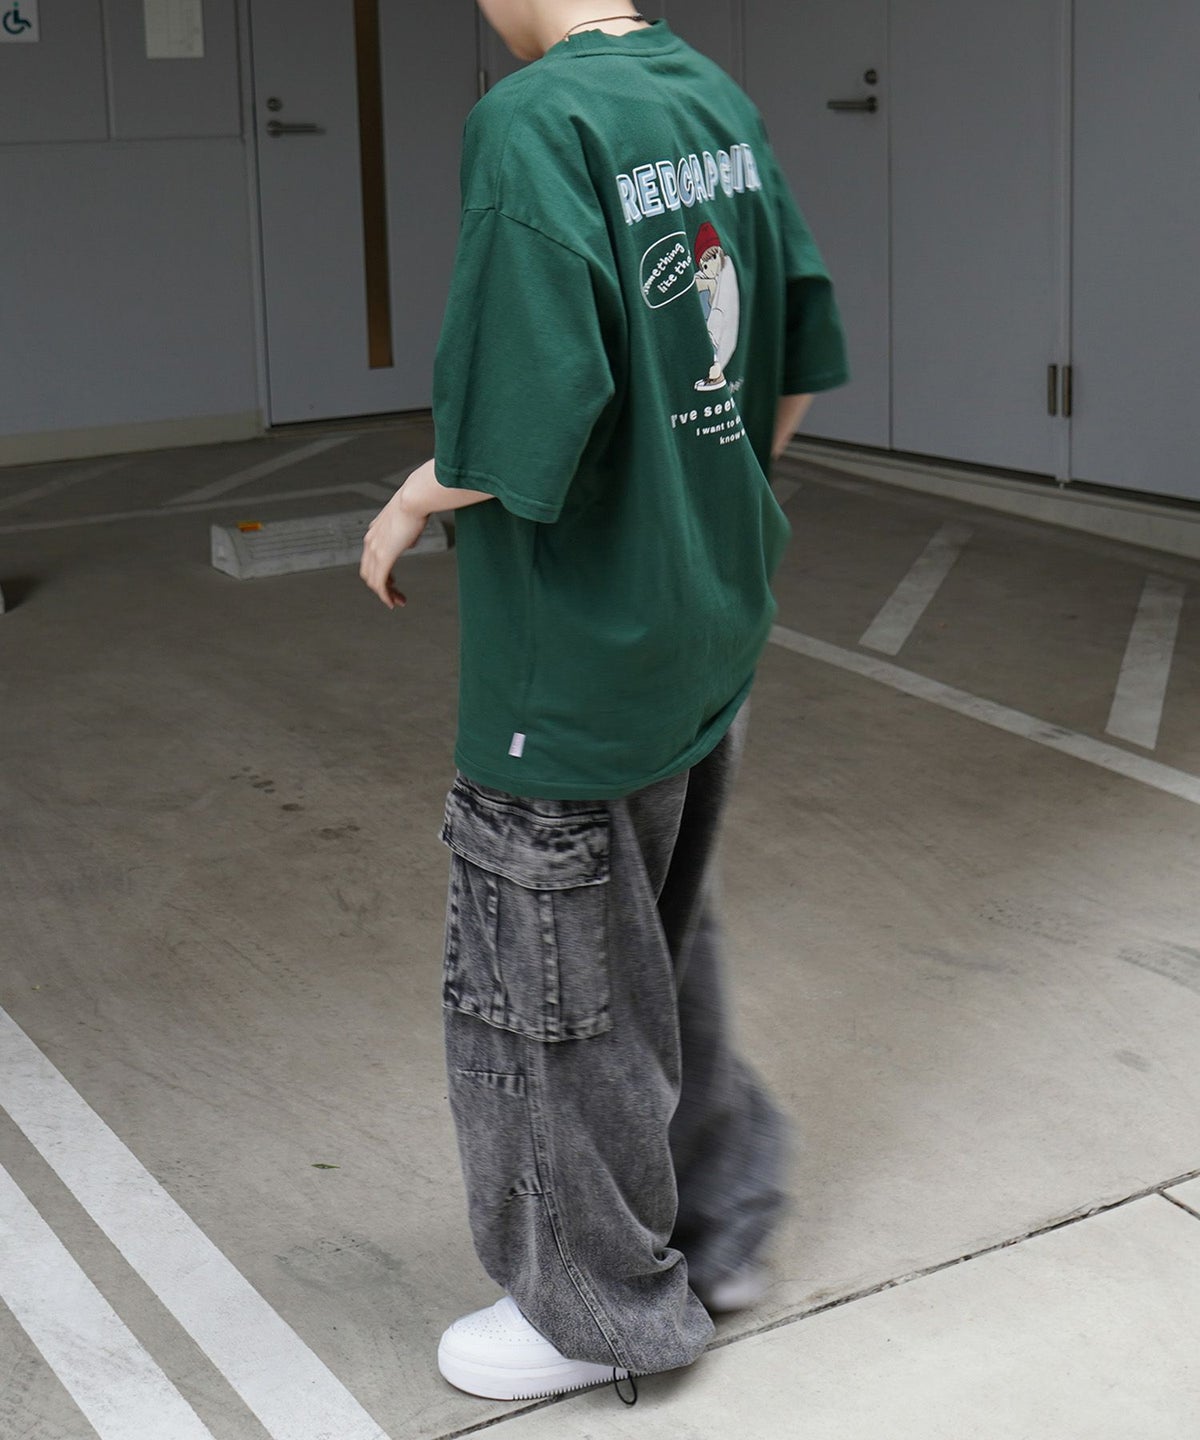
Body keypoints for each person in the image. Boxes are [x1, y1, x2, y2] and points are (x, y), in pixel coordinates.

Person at [359, 0, 849, 1404]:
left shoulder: (535, 122)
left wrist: (413, 497)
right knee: (657, 946)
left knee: (547, 995)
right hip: (705, 621)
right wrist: (699, 503)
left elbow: (525, 414)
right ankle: (720, 1225)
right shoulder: (704, 96)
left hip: (569, 669)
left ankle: (589, 1307)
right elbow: (792, 357)